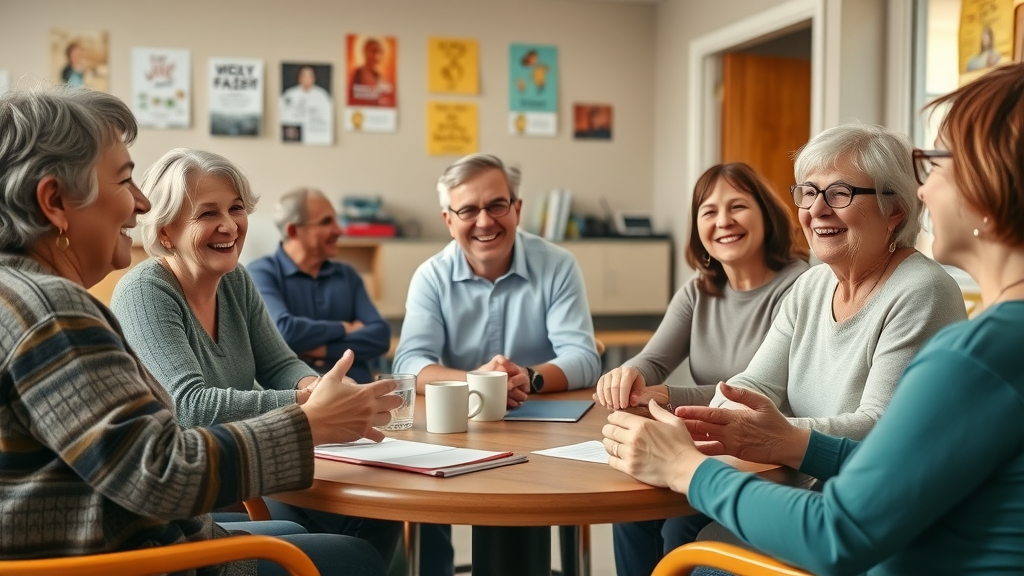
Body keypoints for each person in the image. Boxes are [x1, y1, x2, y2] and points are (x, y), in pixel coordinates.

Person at [603, 62, 1024, 575]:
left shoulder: (971, 348)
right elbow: (891, 468)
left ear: (990, 188)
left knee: (698, 552)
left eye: (935, 164)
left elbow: (845, 525)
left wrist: (687, 466)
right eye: (807, 191)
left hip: (841, 528)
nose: (923, 190)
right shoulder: (813, 284)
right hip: (818, 494)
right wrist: (743, 428)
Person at [0, 85, 400, 576]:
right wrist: (310, 418)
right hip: (139, 558)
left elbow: (132, 462)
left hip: (119, 540)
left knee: (309, 534)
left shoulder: (17, 295)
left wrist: (310, 391)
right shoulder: (54, 312)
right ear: (55, 201)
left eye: (235, 209)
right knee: (355, 557)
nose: (141, 204)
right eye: (124, 180)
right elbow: (162, 471)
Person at [110, 149, 402, 566]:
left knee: (378, 514)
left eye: (236, 208)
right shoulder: (144, 291)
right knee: (356, 553)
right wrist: (312, 406)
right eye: (207, 214)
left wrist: (318, 387)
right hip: (190, 497)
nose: (229, 225)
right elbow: (189, 407)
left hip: (237, 477)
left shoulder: (235, 280)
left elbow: (280, 365)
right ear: (166, 231)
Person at [593, 163, 809, 576]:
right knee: (632, 513)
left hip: (764, 458)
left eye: (738, 207)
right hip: (703, 446)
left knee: (680, 526)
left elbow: (766, 392)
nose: (723, 221)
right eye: (708, 211)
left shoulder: (799, 287)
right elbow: (654, 361)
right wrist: (628, 374)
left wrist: (669, 395)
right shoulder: (699, 289)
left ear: (766, 214)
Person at [392, 152, 602, 576]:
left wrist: (528, 377)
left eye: (496, 205)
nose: (484, 221)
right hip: (453, 435)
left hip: (547, 436)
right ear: (448, 220)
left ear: (517, 209)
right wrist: (478, 381)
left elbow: (584, 357)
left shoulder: (558, 265)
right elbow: (410, 362)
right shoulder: (430, 276)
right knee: (418, 496)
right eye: (468, 209)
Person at [248, 187, 390, 384]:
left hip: (358, 392)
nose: (338, 230)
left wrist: (321, 351)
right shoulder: (261, 273)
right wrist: (344, 327)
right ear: (293, 230)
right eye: (326, 222)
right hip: (299, 401)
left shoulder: (347, 275)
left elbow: (380, 336)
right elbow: (284, 331)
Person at [280, 65, 332, 143]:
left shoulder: (322, 95)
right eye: (304, 76)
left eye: (309, 76)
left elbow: (328, 117)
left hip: (317, 137)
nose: (306, 79)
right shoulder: (289, 94)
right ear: (299, 78)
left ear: (313, 78)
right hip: (294, 138)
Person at [349, 38, 393, 107]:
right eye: (374, 51)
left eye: (379, 52)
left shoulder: (379, 76)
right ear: (365, 52)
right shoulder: (358, 73)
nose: (377, 56)